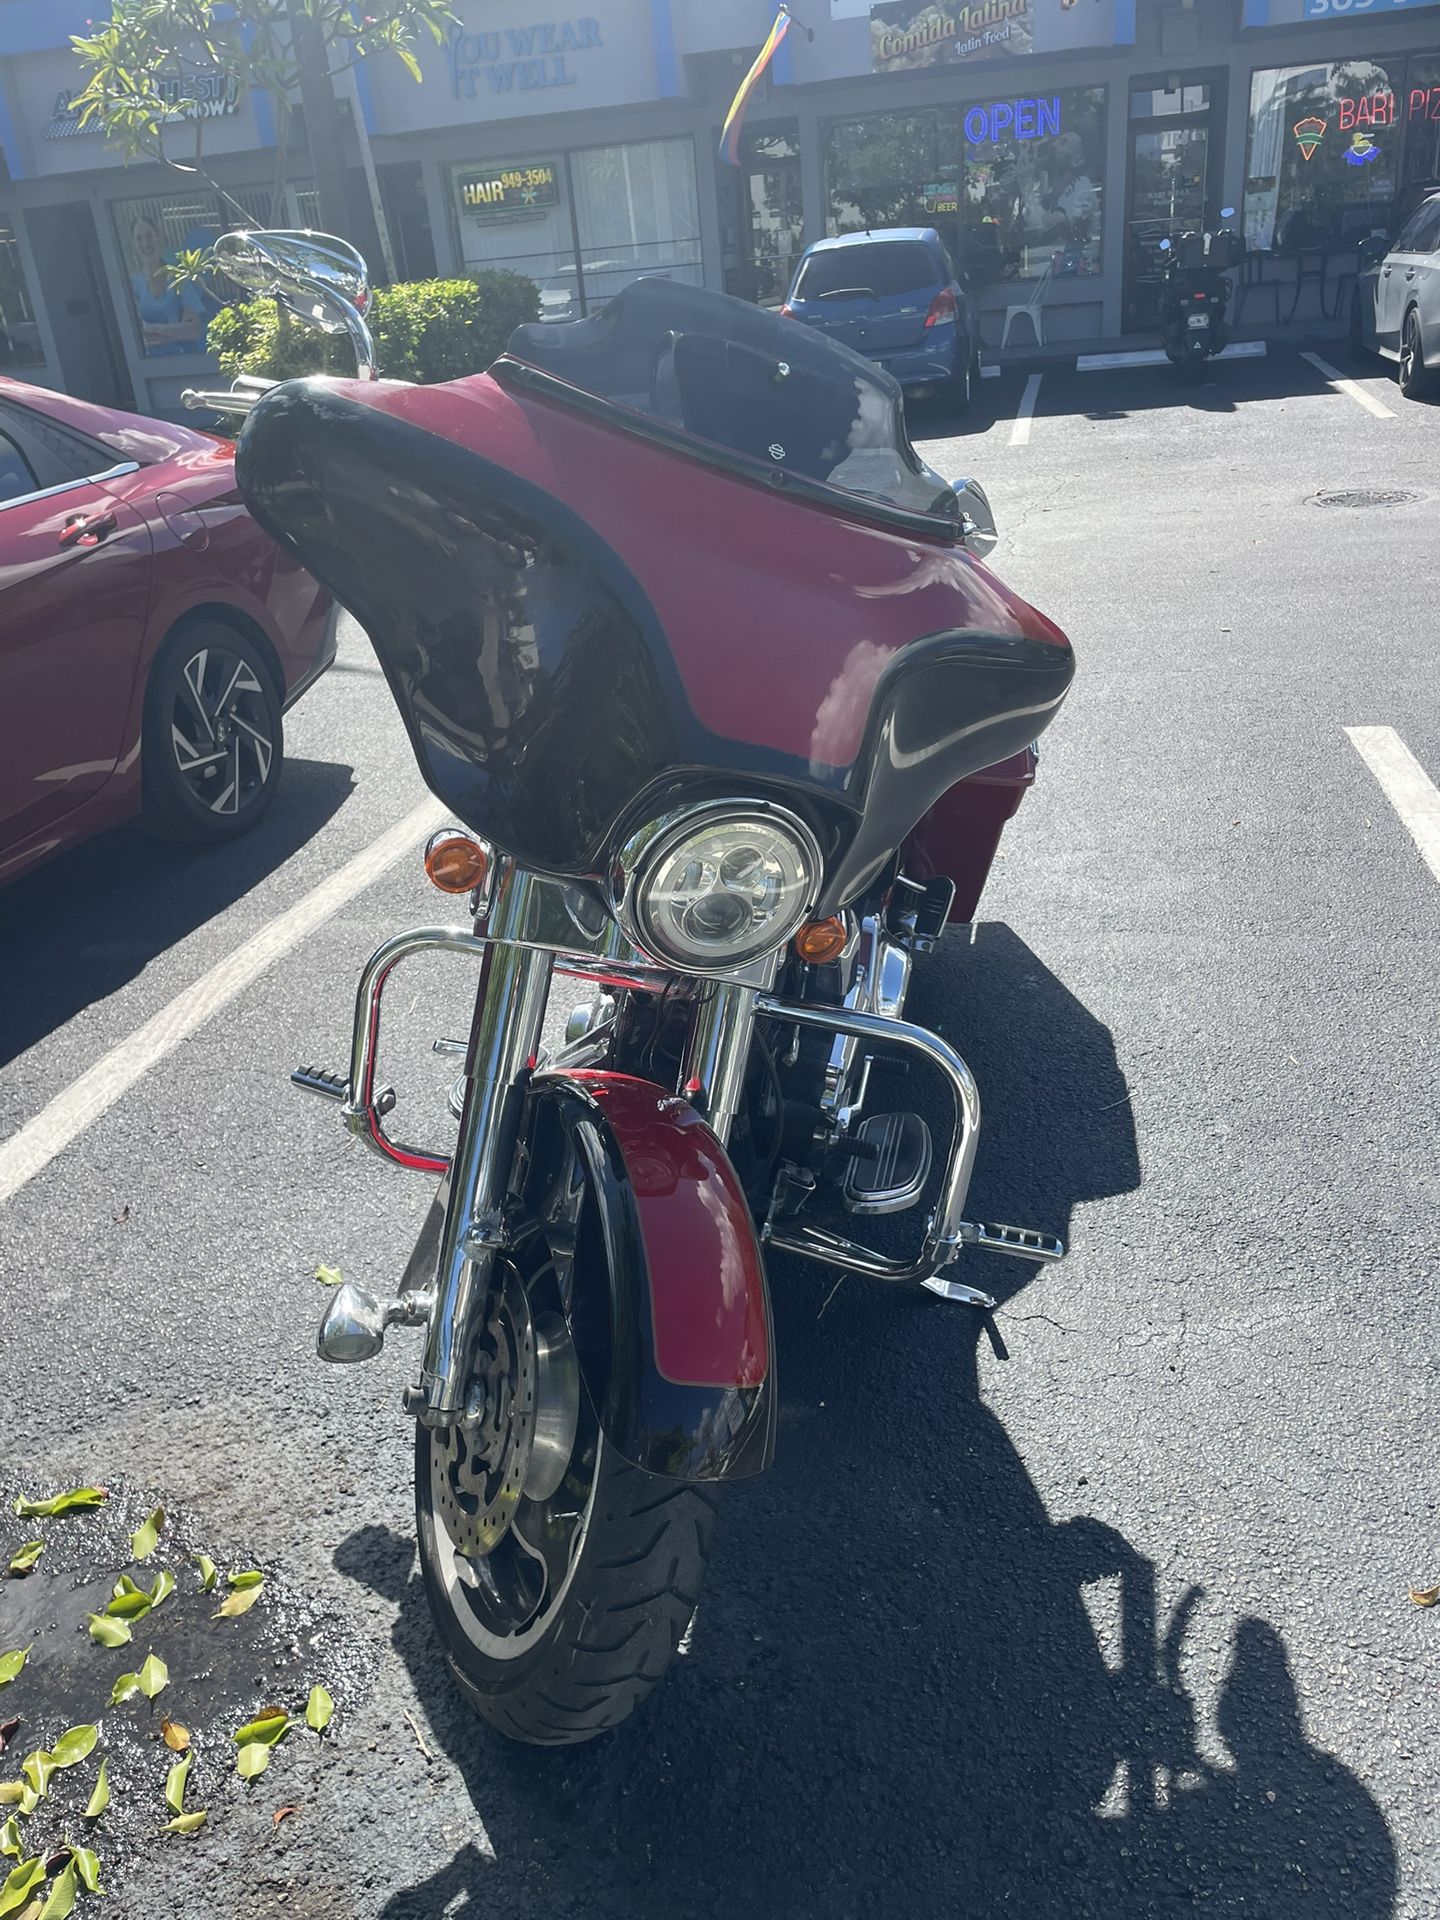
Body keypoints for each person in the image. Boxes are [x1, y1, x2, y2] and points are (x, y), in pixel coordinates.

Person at [128, 214, 205, 355]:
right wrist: (177, 331)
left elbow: (194, 330)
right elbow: (137, 333)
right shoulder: (132, 285)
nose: (145, 244)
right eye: (139, 239)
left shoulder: (179, 278)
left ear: (158, 237)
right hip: (149, 364)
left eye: (149, 236)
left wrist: (152, 328)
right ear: (133, 244)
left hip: (186, 360)